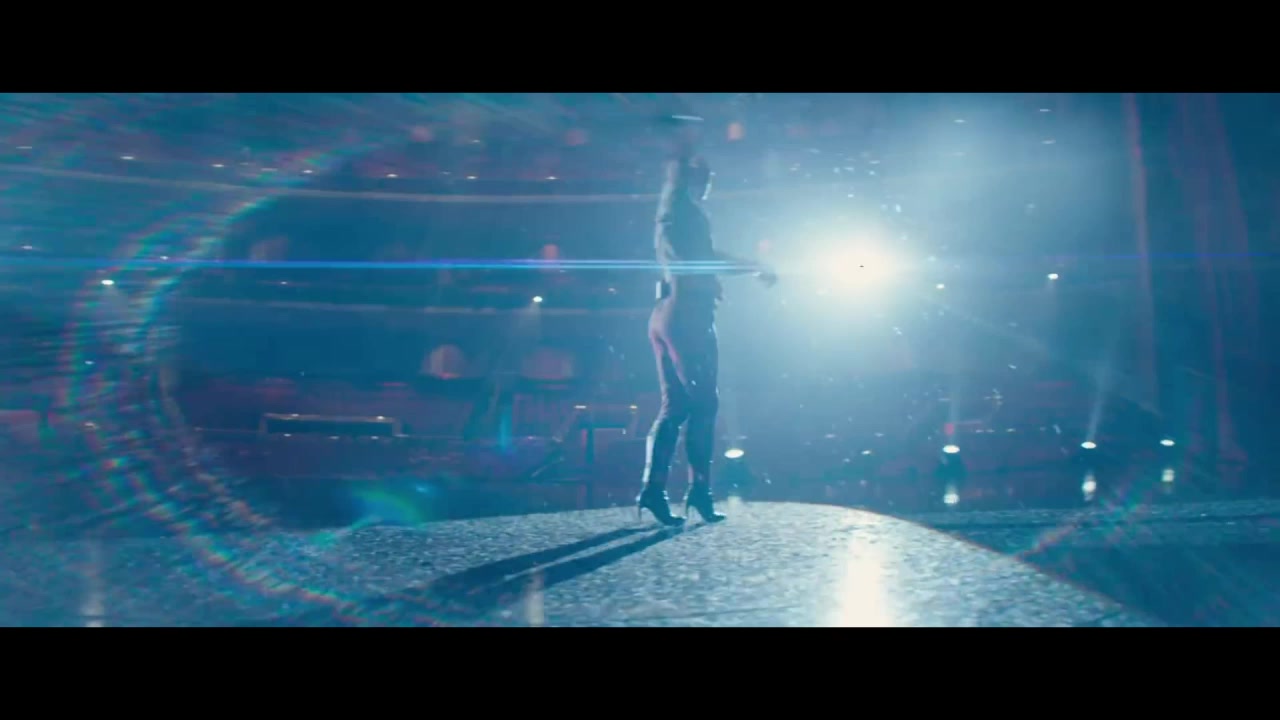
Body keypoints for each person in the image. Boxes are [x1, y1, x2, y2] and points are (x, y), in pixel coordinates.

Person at [636, 153, 776, 526]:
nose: (709, 183)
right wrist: (746, 268)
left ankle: (655, 489)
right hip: (687, 315)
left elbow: (701, 258)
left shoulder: (673, 218)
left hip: (666, 312)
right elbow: (699, 260)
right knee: (703, 405)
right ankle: (698, 490)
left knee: (677, 406)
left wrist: (746, 267)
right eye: (705, 177)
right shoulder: (686, 215)